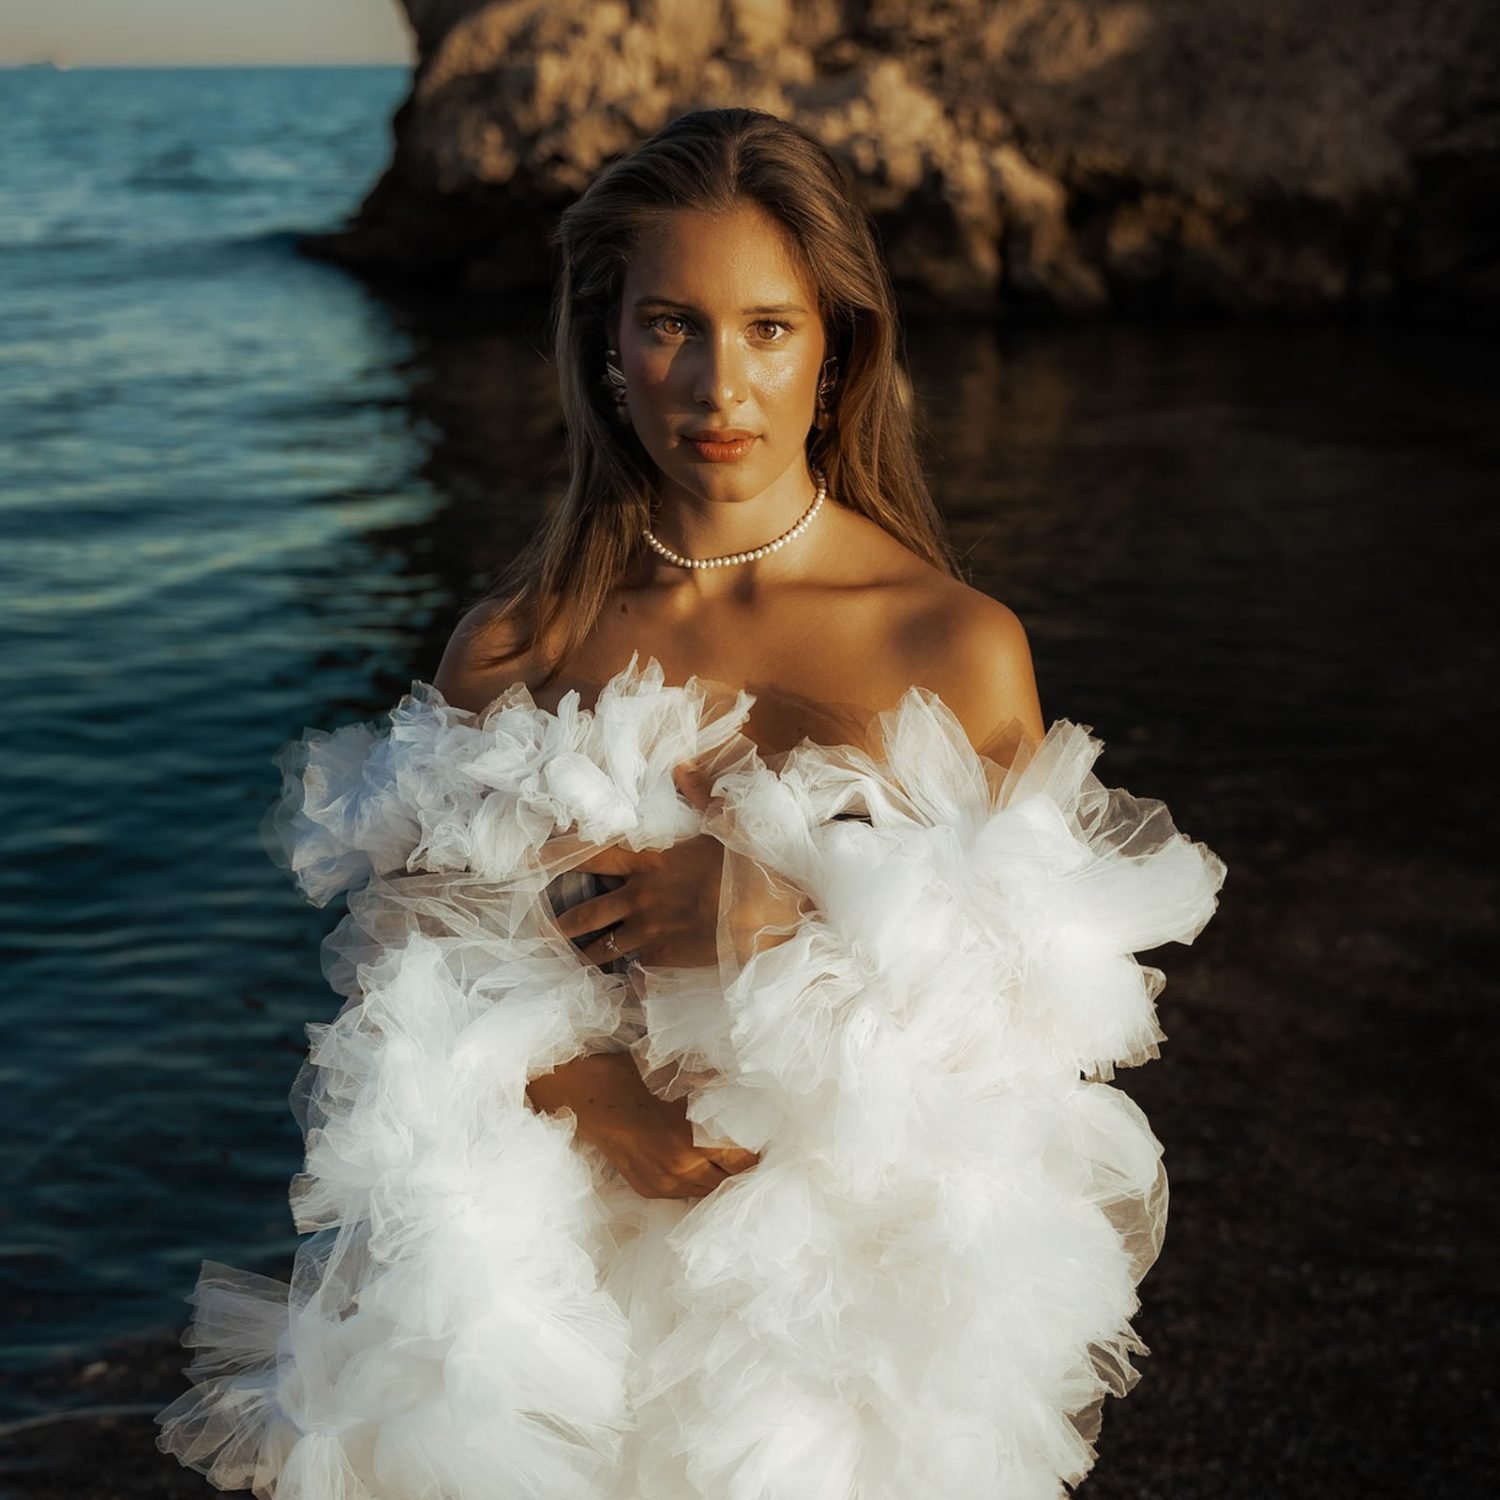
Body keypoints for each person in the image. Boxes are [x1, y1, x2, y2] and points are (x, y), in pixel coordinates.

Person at [156, 107, 1225, 1500]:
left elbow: (1048, 1018)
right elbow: (409, 959)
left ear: (835, 345)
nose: (721, 384)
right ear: (606, 345)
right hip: (551, 1301)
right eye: (673, 324)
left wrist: (780, 914)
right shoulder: (518, 643)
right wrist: (586, 1089)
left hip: (843, 1314)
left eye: (770, 327)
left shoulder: (949, 645)